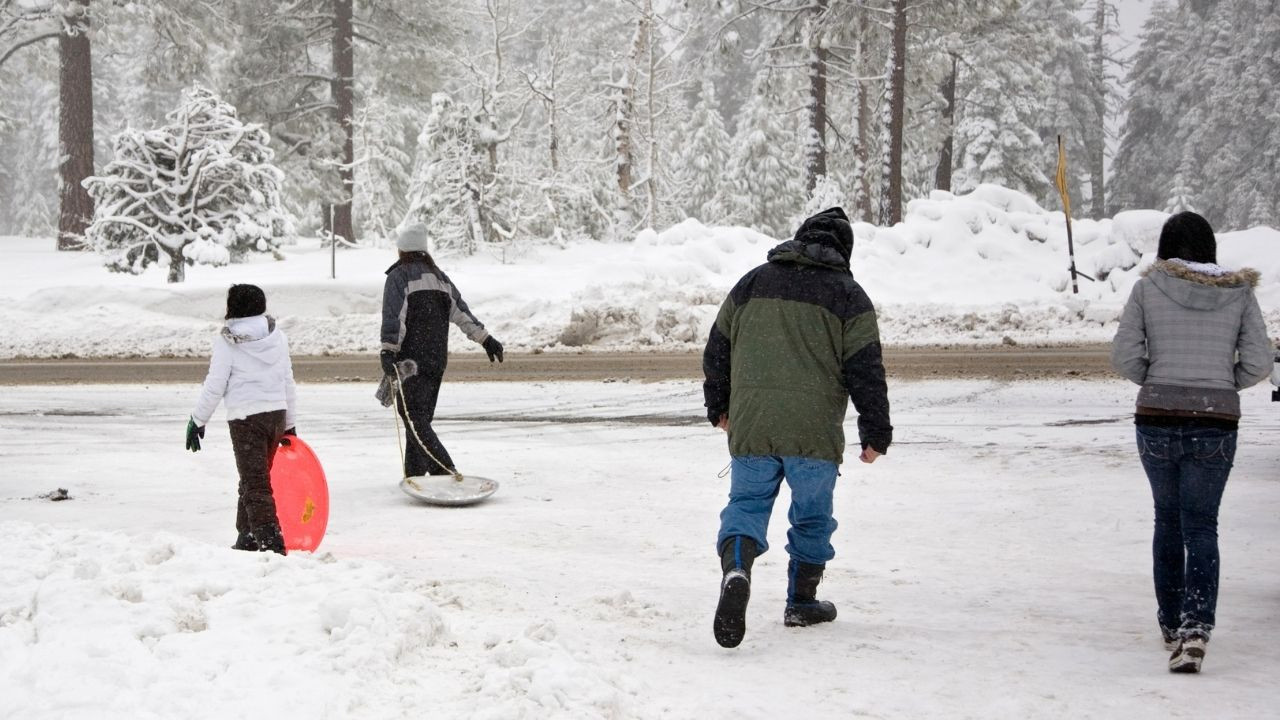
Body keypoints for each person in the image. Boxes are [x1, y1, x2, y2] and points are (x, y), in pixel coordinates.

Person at [702, 207, 893, 649]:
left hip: (753, 423)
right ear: (843, 251)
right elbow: (866, 368)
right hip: (814, 430)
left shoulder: (752, 283)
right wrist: (875, 431)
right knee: (812, 516)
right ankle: (801, 602)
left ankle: (737, 570)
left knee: (746, 504)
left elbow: (717, 349)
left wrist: (719, 406)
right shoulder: (849, 295)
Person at [1111, 211, 1272, 673]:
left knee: (1167, 519)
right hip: (1216, 421)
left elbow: (1123, 355)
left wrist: (1156, 381)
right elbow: (1259, 363)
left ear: (1165, 248)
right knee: (1202, 527)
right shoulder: (1240, 294)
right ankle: (1196, 628)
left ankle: (1170, 624)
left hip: (1156, 418)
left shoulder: (1147, 289)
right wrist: (1222, 384)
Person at [380, 223, 504, 478]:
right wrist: (486, 339)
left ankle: (445, 471)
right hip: (436, 360)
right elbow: (462, 314)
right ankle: (414, 475)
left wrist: (388, 350)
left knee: (414, 419)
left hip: (410, 363)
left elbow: (394, 317)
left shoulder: (399, 277)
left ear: (402, 249)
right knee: (420, 420)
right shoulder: (440, 278)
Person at [187, 284, 298, 555]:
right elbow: (287, 381)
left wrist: (198, 419)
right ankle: (246, 537)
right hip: (276, 416)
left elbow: (215, 385)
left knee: (255, 483)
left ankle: (271, 544)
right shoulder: (277, 338)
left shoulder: (227, 342)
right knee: (252, 478)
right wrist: (290, 424)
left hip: (246, 420)